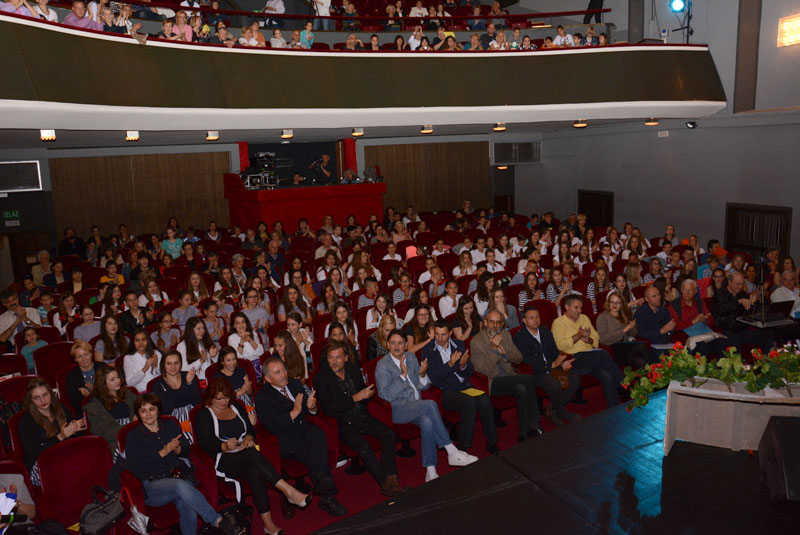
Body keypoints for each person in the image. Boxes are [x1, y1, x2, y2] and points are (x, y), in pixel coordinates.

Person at [196, 378, 311, 534]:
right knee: (251, 454)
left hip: (244, 454)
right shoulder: (204, 414)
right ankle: (288, 491)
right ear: (211, 398)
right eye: (219, 399)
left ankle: (268, 524)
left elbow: (250, 429)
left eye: (226, 397)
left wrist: (249, 438)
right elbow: (204, 444)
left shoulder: (236, 406)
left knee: (255, 472)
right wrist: (223, 446)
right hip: (222, 459)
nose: (223, 402)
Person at [375, 330, 477, 482]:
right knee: (430, 405)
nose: (397, 346)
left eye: (400, 343)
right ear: (388, 345)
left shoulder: (410, 357)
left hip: (416, 405)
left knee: (427, 422)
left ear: (405, 345)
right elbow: (386, 395)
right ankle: (451, 450)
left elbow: (423, 385)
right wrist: (403, 376)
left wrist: (422, 374)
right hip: (397, 409)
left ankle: (430, 470)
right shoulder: (383, 365)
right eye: (393, 343)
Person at [125, 393, 231, 535]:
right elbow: (135, 467)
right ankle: (216, 520)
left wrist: (178, 449)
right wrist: (162, 452)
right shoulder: (133, 436)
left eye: (152, 409)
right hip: (152, 486)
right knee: (180, 486)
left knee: (188, 507)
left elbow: (186, 450)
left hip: (176, 476)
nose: (148, 414)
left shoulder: (170, 425)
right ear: (138, 414)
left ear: (158, 410)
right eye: (143, 411)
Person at [256, 357, 348, 516]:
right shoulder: (262, 397)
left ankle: (320, 486)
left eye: (284, 369)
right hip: (284, 439)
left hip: (304, 431)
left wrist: (311, 408)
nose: (284, 374)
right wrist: (294, 412)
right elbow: (271, 424)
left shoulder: (295, 384)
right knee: (314, 453)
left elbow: (310, 409)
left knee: (317, 433)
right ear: (268, 378)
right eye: (277, 373)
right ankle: (327, 496)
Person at [315, 340, 405, 495]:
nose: (334, 362)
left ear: (345, 358)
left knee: (389, 434)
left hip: (362, 416)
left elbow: (364, 392)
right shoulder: (321, 378)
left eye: (338, 357)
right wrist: (355, 398)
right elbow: (328, 408)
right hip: (344, 424)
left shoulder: (353, 369)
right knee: (364, 447)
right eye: (331, 357)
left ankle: (392, 479)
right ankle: (386, 484)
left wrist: (367, 395)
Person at [423, 320, 498, 453]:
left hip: (463, 386)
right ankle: (463, 446)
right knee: (469, 402)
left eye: (443, 334)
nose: (440, 338)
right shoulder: (428, 350)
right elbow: (434, 378)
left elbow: (470, 371)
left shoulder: (459, 344)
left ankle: (492, 441)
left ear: (450, 333)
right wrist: (451, 364)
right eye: (437, 334)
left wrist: (463, 365)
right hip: (445, 391)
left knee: (484, 399)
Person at [551, 295, 623, 408]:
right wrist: (578, 336)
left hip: (591, 358)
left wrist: (588, 339)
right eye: (576, 308)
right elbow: (560, 345)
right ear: (566, 307)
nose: (579, 311)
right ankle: (624, 384)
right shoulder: (558, 323)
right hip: (573, 360)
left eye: (580, 308)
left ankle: (615, 407)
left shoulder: (584, 318)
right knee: (602, 353)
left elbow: (596, 337)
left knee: (606, 375)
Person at [513, 306, 581, 426]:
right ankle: (561, 412)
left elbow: (555, 352)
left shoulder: (545, 332)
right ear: (525, 321)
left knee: (575, 377)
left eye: (537, 317)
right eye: (531, 318)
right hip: (536, 371)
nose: (535, 320)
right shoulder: (520, 337)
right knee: (554, 385)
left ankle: (552, 409)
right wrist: (550, 365)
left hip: (553, 365)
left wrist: (562, 362)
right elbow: (527, 360)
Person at [20, 378, 86, 486]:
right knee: (69, 469)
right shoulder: (26, 422)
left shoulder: (61, 409)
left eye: (45, 395)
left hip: (63, 456)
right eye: (37, 398)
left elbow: (72, 442)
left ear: (51, 393)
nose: (42, 400)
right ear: (31, 400)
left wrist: (75, 430)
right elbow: (34, 452)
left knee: (84, 458)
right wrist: (59, 437)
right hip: (39, 464)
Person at [712, 272, 772, 352]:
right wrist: (739, 302)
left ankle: (769, 359)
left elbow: (750, 311)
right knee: (734, 339)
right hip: (727, 329)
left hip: (742, 329)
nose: (740, 287)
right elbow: (722, 310)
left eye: (742, 284)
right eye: (737, 284)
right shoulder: (720, 293)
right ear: (729, 282)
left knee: (767, 333)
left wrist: (754, 302)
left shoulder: (742, 294)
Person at [83, 365, 136, 453]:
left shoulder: (127, 393)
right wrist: (129, 427)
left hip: (134, 432)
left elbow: (140, 405)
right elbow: (104, 432)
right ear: (103, 383)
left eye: (118, 377)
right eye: (112, 380)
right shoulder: (93, 405)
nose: (117, 381)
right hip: (115, 441)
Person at [596, 293, 651, 370]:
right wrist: (624, 329)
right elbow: (603, 339)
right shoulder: (603, 317)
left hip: (627, 348)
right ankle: (655, 374)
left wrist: (631, 327)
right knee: (641, 347)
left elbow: (634, 334)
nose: (615, 305)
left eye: (618, 302)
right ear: (608, 303)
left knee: (641, 362)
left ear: (621, 304)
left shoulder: (623, 315)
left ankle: (650, 377)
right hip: (614, 349)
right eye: (612, 302)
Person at [177, 317, 219, 383]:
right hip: (196, 381)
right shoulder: (182, 346)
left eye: (203, 328)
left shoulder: (205, 341)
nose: (202, 331)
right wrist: (200, 361)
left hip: (210, 378)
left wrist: (213, 356)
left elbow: (214, 364)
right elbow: (183, 370)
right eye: (198, 329)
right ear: (191, 330)